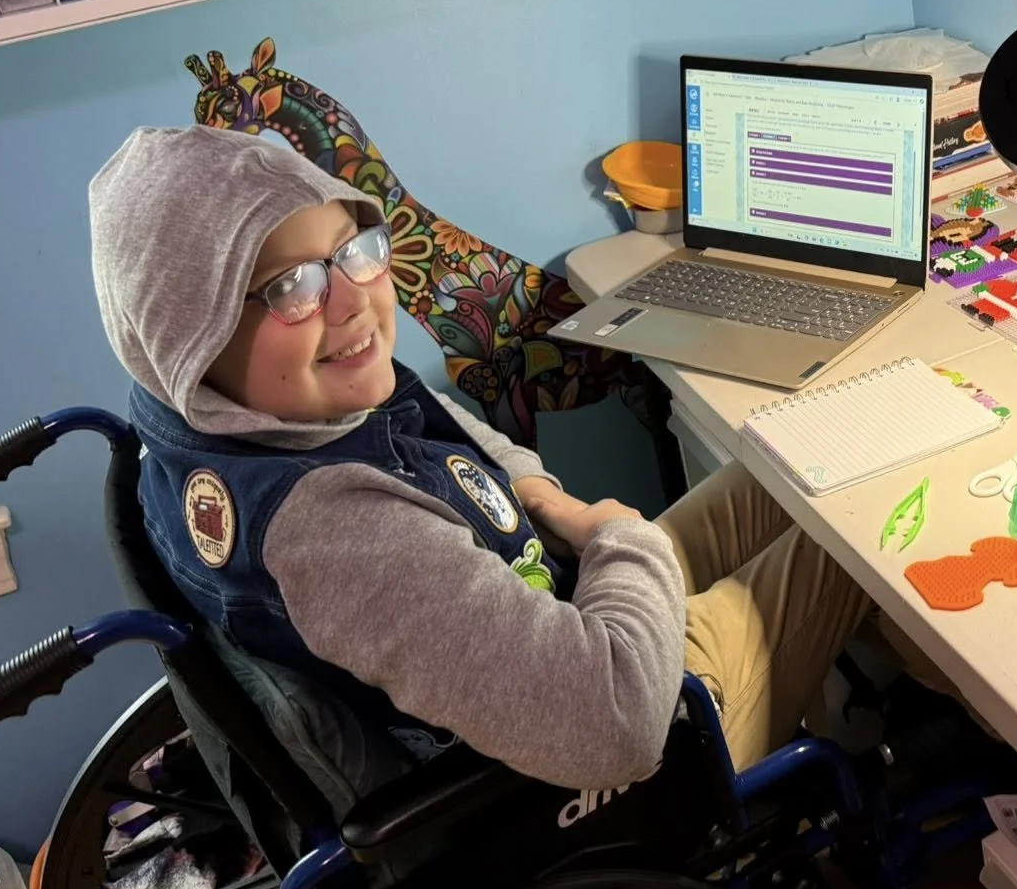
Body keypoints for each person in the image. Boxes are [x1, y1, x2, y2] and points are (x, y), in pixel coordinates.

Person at [90, 125, 880, 795]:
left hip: (549, 625)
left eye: (356, 248)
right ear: (189, 338)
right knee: (855, 528)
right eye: (291, 286)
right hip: (633, 736)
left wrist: (538, 493)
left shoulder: (261, 414)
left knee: (799, 463)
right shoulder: (340, 535)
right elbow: (617, 726)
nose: (353, 300)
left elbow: (436, 420)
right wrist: (618, 535)